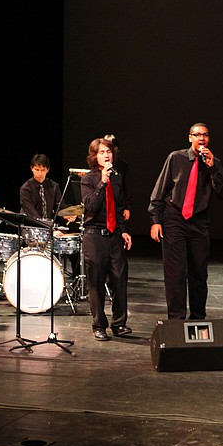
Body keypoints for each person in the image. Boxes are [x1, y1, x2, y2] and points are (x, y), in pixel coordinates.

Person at [148, 122, 223, 320]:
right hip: (174, 217)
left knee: (199, 272)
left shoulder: (213, 163)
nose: (201, 138)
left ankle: (197, 318)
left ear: (209, 139)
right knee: (175, 273)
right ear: (190, 138)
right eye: (197, 135)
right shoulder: (176, 158)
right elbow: (160, 188)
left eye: (205, 135)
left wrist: (212, 168)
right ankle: (176, 320)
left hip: (198, 220)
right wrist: (155, 220)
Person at [81, 137, 132, 340]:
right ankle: (98, 325)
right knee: (96, 281)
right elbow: (90, 206)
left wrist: (124, 230)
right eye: (101, 152)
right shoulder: (89, 179)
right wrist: (102, 181)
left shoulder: (117, 177)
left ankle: (119, 324)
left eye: (108, 152)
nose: (106, 155)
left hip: (114, 235)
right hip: (94, 235)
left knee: (119, 279)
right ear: (94, 156)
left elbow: (117, 208)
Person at [103, 134, 132, 221]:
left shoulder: (122, 165)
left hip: (118, 205)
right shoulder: (99, 165)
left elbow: (127, 187)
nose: (106, 155)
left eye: (110, 150)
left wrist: (127, 207)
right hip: (102, 205)